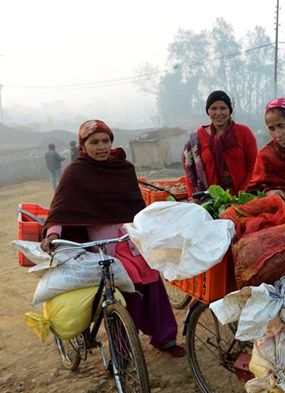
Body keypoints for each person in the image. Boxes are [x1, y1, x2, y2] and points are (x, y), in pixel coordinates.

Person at [41, 119, 185, 358]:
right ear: (83, 145)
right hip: (103, 245)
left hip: (130, 238)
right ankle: (122, 353)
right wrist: (53, 234)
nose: (101, 147)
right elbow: (61, 209)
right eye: (94, 142)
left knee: (151, 281)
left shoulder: (123, 168)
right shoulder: (74, 173)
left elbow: (136, 207)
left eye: (105, 141)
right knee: (119, 291)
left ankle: (164, 337)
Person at [183, 90, 258, 196]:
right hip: (210, 201)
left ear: (229, 110)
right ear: (208, 111)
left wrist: (243, 192)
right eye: (213, 108)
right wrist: (194, 197)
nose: (218, 113)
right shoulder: (197, 138)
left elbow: (254, 165)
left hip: (242, 198)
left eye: (223, 108)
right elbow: (190, 173)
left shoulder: (244, 133)